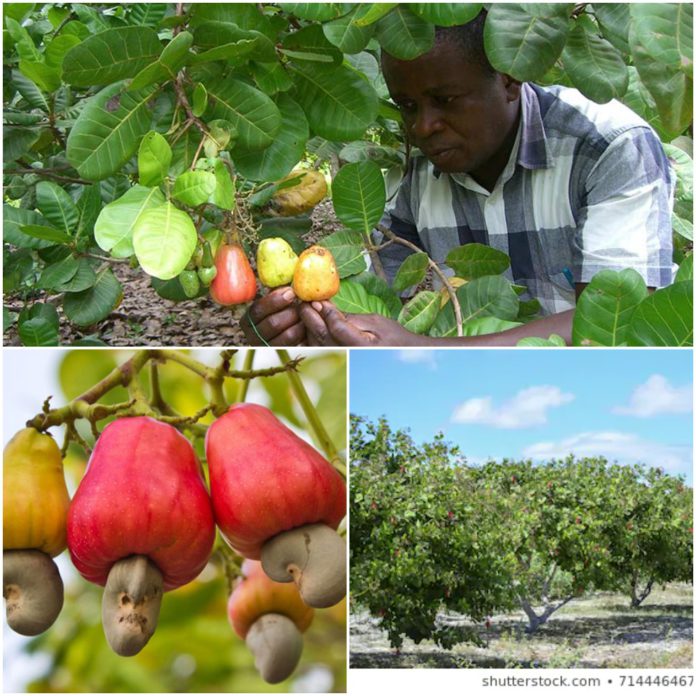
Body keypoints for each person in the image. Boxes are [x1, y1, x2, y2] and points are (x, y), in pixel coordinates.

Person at [242, 14, 674, 347]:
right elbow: (364, 295)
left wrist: (419, 349)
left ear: (508, 79)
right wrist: (295, 323)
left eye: (444, 101)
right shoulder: (422, 177)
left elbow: (618, 322)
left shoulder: (610, 146)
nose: (423, 127)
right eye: (408, 106)